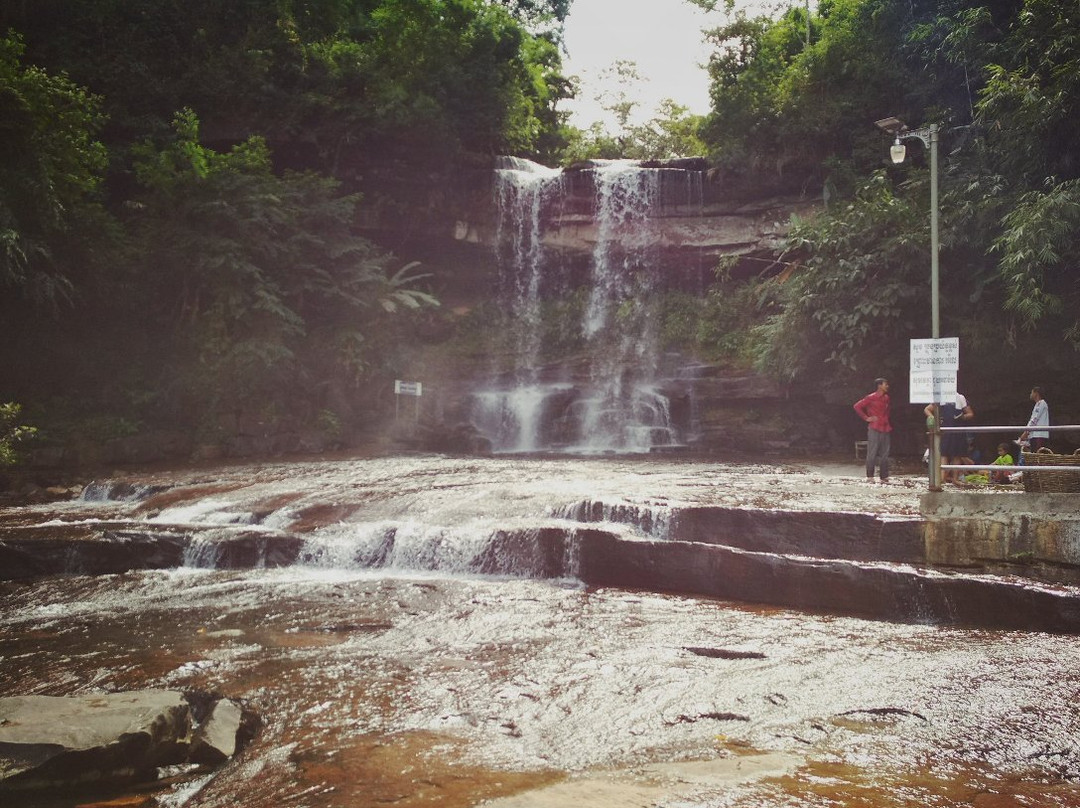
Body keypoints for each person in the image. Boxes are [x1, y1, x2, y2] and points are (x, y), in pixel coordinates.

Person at [924, 393, 974, 483]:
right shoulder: (940, 397)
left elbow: (970, 414)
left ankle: (955, 479)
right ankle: (942, 478)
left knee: (957, 454)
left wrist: (963, 417)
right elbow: (927, 409)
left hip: (958, 429)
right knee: (944, 454)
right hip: (945, 429)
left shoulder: (960, 397)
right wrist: (934, 419)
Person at [853, 377, 891, 483]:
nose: (887, 386)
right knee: (872, 452)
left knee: (885, 453)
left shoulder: (886, 397)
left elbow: (887, 411)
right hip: (874, 427)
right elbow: (857, 406)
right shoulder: (871, 397)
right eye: (885, 384)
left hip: (885, 426)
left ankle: (884, 476)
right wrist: (867, 418)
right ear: (879, 386)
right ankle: (870, 476)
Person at [1018, 386, 1050, 452]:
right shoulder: (1037, 404)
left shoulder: (1041, 403)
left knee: (1038, 455)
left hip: (1039, 434)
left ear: (1036, 393)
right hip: (1034, 434)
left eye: (1032, 392)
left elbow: (1034, 419)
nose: (1030, 394)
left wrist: (1026, 432)